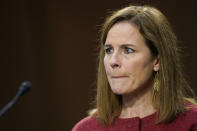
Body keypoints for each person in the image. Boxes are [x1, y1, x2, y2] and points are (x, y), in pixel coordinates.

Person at [72, 5, 197, 131]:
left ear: (157, 61)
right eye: (109, 50)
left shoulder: (192, 122)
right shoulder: (86, 128)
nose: (113, 61)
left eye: (128, 50)